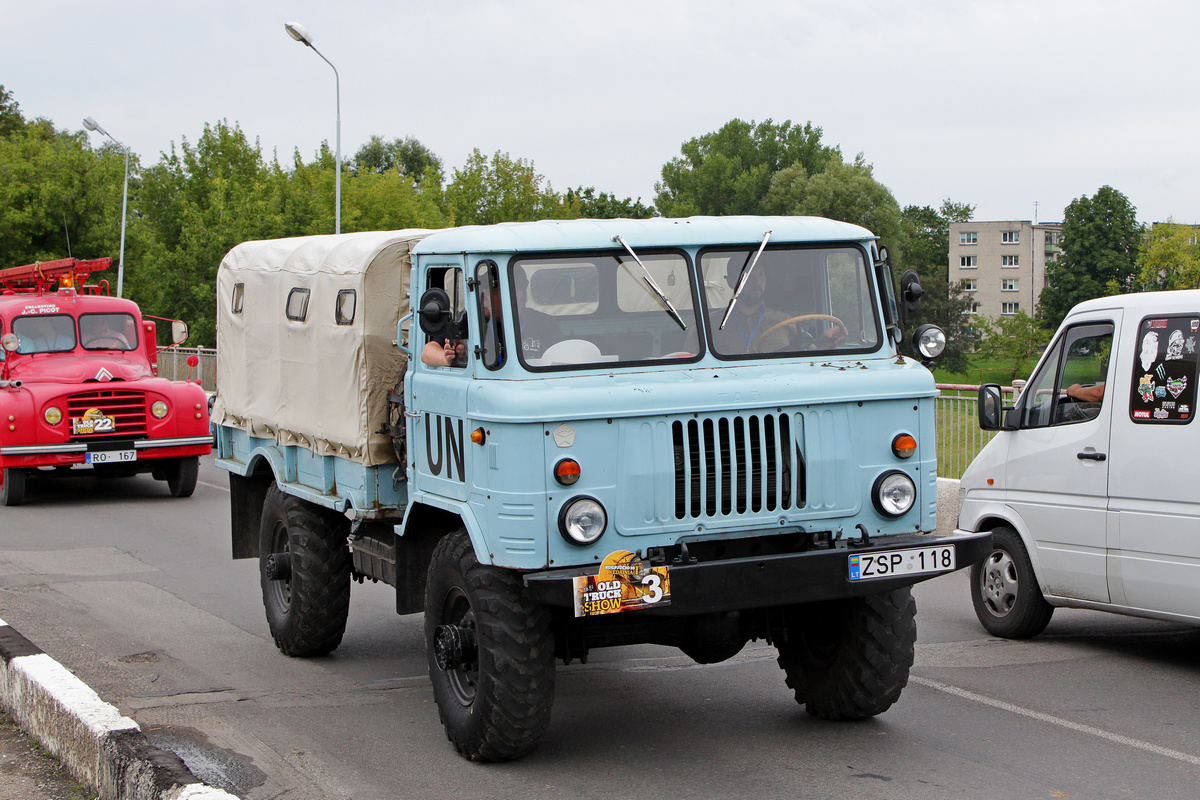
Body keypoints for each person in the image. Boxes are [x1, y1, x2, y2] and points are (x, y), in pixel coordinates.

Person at [710, 267, 846, 355]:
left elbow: (809, 356)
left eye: (761, 277)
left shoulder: (786, 322)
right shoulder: (710, 325)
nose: (757, 282)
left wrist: (826, 341)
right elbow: (692, 364)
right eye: (750, 277)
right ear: (731, 282)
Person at [513, 269, 561, 360]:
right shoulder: (482, 325)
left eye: (516, 291)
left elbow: (557, 358)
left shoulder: (546, 323)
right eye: (486, 293)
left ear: (522, 294)